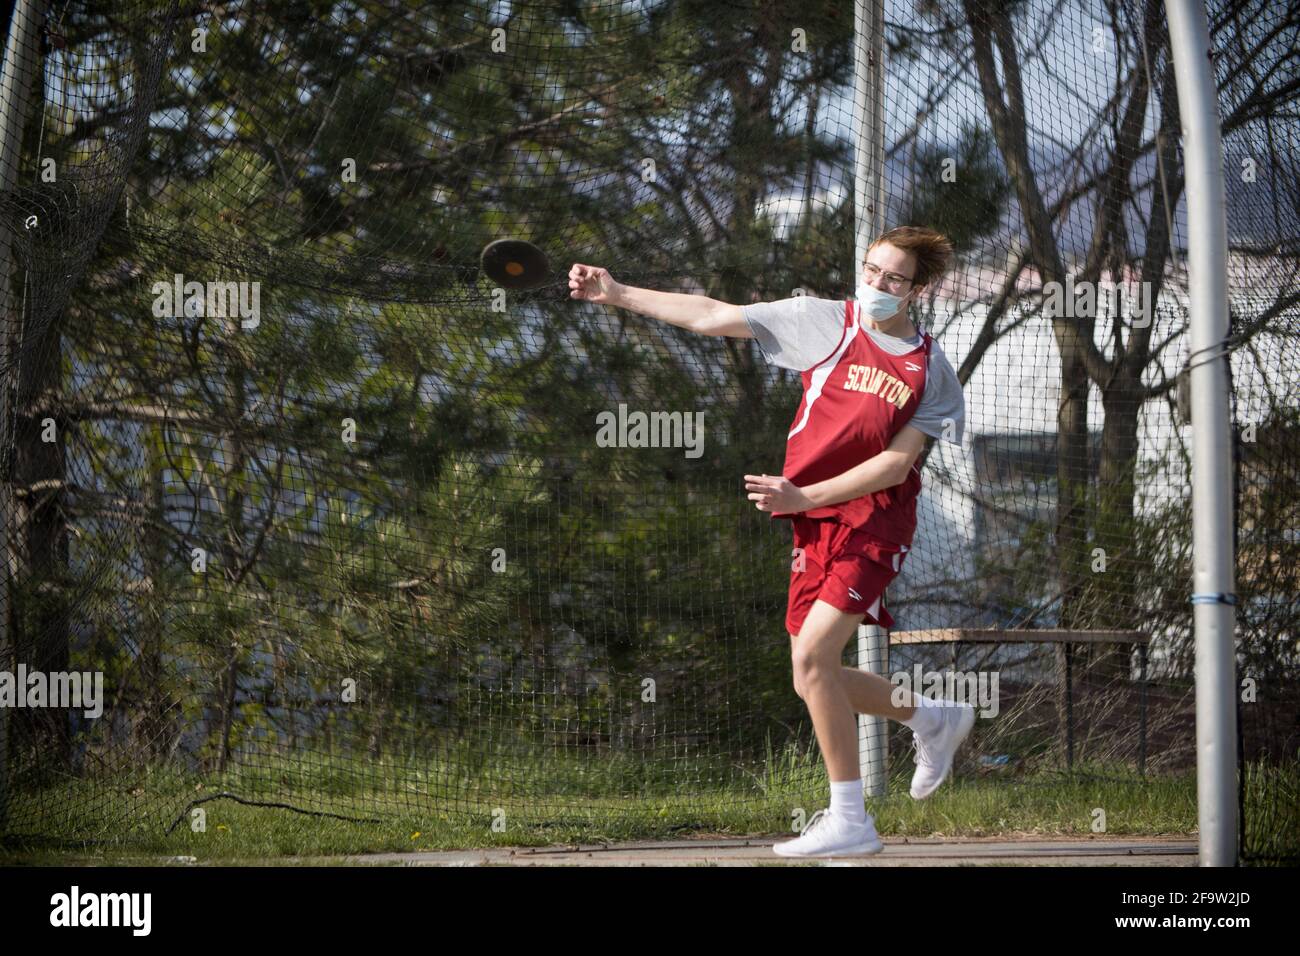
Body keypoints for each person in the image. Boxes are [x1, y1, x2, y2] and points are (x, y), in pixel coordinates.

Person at [568, 225, 976, 858]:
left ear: (918, 289)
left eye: (894, 278)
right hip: (812, 522)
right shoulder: (822, 322)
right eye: (871, 270)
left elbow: (897, 466)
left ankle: (852, 820)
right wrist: (618, 293)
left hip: (873, 522)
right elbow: (711, 315)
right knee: (811, 674)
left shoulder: (931, 371)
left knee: (814, 661)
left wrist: (804, 496)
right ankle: (931, 717)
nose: (877, 284)